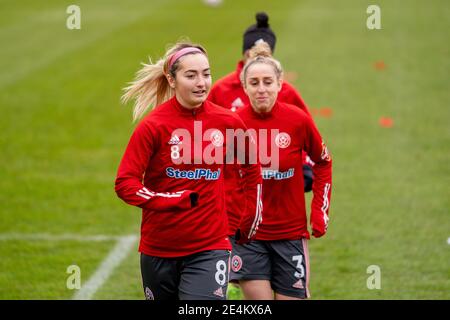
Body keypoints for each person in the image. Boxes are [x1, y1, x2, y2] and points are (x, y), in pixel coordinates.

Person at [115, 41, 262, 300]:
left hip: (211, 245)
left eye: (206, 74)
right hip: (158, 248)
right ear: (171, 80)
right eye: (191, 75)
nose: (201, 83)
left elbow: (250, 168)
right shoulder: (153, 126)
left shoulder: (227, 122)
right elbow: (125, 182)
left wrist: (246, 217)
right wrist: (167, 200)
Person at [229, 42, 332, 300]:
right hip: (249, 237)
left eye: (267, 82)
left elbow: (323, 161)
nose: (261, 89)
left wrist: (320, 210)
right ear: (244, 87)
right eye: (254, 83)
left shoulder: (298, 120)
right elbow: (222, 179)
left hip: (290, 234)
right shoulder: (233, 123)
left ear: (280, 83)